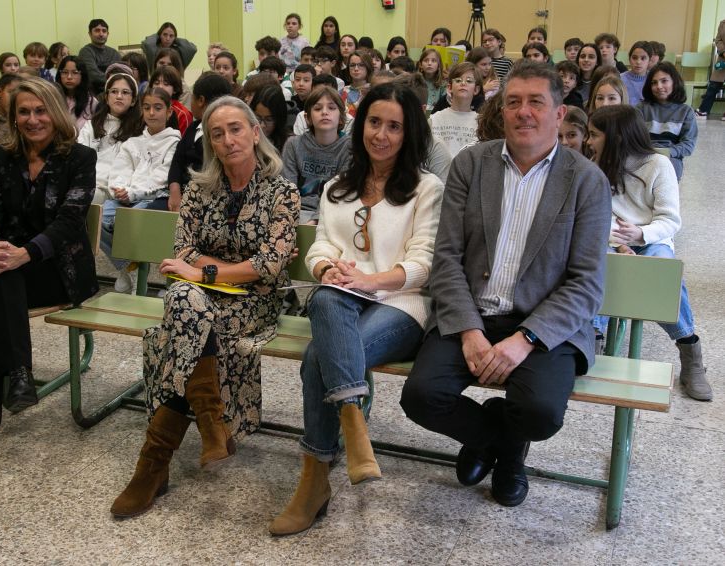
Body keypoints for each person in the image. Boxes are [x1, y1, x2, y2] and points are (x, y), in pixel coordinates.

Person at [399, 61, 612, 508]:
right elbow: (447, 258)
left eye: (537, 102)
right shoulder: (471, 165)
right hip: (474, 312)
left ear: (559, 114)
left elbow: (586, 283)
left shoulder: (587, 182)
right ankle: (498, 441)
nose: (523, 112)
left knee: (540, 413)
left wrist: (526, 339)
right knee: (422, 397)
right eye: (513, 101)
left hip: (543, 325)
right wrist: (470, 332)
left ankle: (509, 450)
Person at [109, 95, 299, 518]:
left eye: (236, 129)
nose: (228, 140)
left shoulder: (281, 190)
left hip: (255, 303)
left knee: (177, 319)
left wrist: (206, 273)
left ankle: (152, 466)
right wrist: (214, 272)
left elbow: (269, 266)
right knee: (181, 299)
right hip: (201, 299)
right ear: (210, 143)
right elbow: (182, 252)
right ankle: (211, 422)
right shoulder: (199, 188)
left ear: (255, 132)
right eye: (217, 133)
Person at [268, 82, 443, 536]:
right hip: (342, 300)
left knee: (316, 359)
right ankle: (352, 418)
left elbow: (423, 264)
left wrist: (369, 280)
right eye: (373, 122)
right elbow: (322, 244)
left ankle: (313, 481)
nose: (381, 135)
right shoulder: (336, 189)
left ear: (410, 134)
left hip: (402, 304)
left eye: (394, 126)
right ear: (359, 123)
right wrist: (327, 266)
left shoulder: (426, 188)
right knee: (325, 295)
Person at [0, 77, 98, 447]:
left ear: (56, 112)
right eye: (24, 112)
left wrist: (23, 254)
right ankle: (17, 374)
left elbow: (70, 221)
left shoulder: (79, 158)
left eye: (40, 110)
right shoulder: (3, 156)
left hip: (61, 269)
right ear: (13, 117)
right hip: (10, 264)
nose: (32, 119)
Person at [586, 104, 711, 400]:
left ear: (615, 137)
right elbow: (594, 216)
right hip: (612, 241)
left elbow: (670, 220)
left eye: (594, 135)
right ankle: (592, 340)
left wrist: (640, 234)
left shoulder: (658, 165)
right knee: (598, 266)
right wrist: (619, 243)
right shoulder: (595, 167)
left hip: (652, 240)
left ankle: (689, 349)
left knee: (661, 271)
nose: (588, 142)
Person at [101, 88, 180, 291]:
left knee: (128, 221)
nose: (151, 113)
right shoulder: (132, 143)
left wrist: (133, 193)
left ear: (169, 112)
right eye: (146, 108)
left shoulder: (174, 142)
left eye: (157, 108)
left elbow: (162, 177)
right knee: (97, 216)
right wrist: (121, 189)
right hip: (126, 197)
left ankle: (133, 266)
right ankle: (127, 266)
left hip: (153, 197)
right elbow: (120, 170)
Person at [161, 72, 232, 212]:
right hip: (179, 194)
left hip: (205, 199)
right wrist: (174, 189)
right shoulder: (193, 128)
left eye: (192, 97)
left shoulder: (222, 135)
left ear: (200, 100)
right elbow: (177, 161)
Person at [281, 85, 352, 224]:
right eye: (318, 108)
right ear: (308, 118)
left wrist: (316, 220)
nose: (325, 112)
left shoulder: (349, 148)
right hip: (296, 213)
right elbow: (287, 190)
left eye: (331, 108)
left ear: (341, 117)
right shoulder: (293, 145)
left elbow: (340, 193)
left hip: (332, 212)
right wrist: (290, 220)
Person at [78, 72, 142, 207]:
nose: (119, 96)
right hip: (85, 185)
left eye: (125, 92)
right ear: (106, 97)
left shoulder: (139, 131)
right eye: (114, 91)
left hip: (112, 192)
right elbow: (79, 159)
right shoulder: (91, 125)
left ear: (134, 100)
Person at [636, 62, 697, 180]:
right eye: (654, 83)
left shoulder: (686, 111)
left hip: (671, 157)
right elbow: (632, 136)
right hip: (644, 154)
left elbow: (688, 145)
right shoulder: (641, 108)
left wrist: (667, 152)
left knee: (666, 176)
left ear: (674, 82)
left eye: (664, 81)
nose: (659, 86)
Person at [429, 62, 481, 156]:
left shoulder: (481, 122)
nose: (463, 83)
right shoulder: (435, 119)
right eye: (458, 80)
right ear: (449, 88)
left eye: (469, 81)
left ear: (476, 90)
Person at [79, 18, 121, 93]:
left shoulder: (114, 53)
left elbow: (121, 74)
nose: (101, 34)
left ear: (108, 34)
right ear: (90, 34)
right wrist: (114, 79)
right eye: (97, 30)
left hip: (114, 92)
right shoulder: (86, 52)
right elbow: (93, 76)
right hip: (93, 94)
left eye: (104, 31)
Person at [56, 56, 97, 131]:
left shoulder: (91, 101)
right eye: (65, 72)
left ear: (82, 76)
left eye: (75, 73)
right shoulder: (53, 97)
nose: (69, 77)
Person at [696, 33, 725, 119]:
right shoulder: (723, 23)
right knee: (713, 86)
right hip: (723, 59)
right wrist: (723, 52)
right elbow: (718, 40)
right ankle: (703, 111)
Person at [342, 50, 372, 117]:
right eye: (352, 65)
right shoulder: (342, 91)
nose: (356, 69)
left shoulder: (373, 91)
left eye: (361, 65)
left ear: (368, 67)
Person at [621, 41, 652, 106]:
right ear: (629, 59)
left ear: (649, 60)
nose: (638, 62)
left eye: (643, 58)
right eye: (634, 58)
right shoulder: (620, 79)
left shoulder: (653, 79)